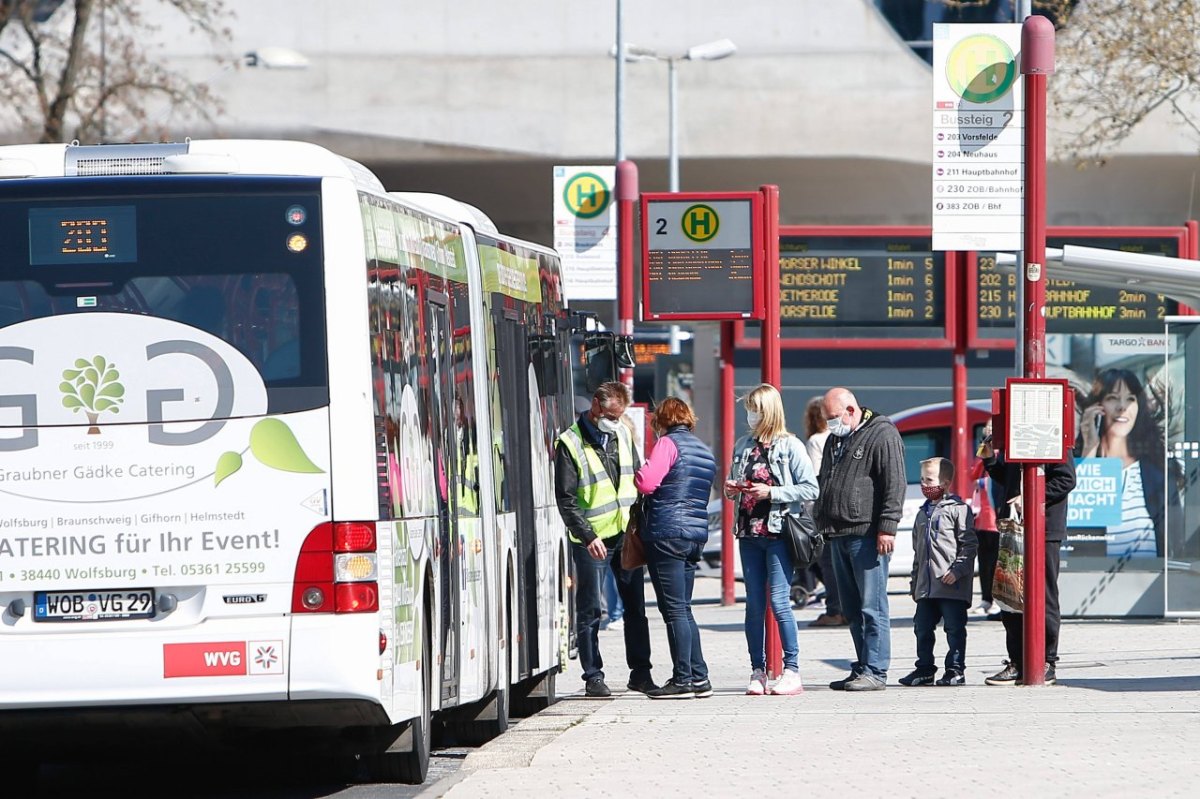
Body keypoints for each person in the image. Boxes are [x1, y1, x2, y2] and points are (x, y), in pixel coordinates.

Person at [555, 381, 655, 698]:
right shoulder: (569, 443)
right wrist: (587, 536)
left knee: (635, 608)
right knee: (589, 610)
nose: (616, 420)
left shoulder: (622, 434)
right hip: (592, 540)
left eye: (620, 415)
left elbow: (637, 476)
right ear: (596, 407)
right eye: (612, 414)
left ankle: (641, 673)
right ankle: (593, 676)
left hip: (625, 534)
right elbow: (566, 498)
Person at [723, 383, 818, 696]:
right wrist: (732, 488)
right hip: (749, 532)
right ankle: (757, 670)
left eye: (755, 409)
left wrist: (773, 492)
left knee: (779, 601)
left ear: (769, 411)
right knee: (754, 604)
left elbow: (810, 488)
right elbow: (729, 487)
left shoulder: (790, 446)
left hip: (777, 532)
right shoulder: (742, 445)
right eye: (748, 409)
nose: (750, 416)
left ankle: (792, 669)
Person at [815, 387, 906, 692]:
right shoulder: (834, 440)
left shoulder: (882, 434)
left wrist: (887, 528)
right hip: (838, 533)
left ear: (851, 411)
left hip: (866, 534)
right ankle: (863, 666)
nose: (830, 424)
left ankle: (876, 671)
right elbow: (825, 481)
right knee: (852, 609)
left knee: (872, 606)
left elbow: (894, 484)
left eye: (833, 418)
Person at [635, 398, 717, 699]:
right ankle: (700, 676)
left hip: (667, 533)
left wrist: (640, 470)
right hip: (694, 535)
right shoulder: (703, 451)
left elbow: (646, 483)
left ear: (663, 420)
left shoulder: (668, 444)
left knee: (673, 611)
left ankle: (682, 678)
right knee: (684, 608)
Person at [980, 437, 1077, 686]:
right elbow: (1009, 481)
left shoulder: (1056, 438)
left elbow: (1067, 479)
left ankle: (1047, 661)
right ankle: (1017, 661)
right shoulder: (1015, 439)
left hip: (1045, 528)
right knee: (1010, 592)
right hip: (1014, 527)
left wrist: (1032, 496)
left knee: (1044, 594)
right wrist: (990, 460)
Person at [1078, 368, 1179, 559]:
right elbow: (1075, 520)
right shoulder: (1084, 462)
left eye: (1130, 399)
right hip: (1088, 578)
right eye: (1113, 398)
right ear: (1098, 406)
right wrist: (1089, 447)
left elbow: (1175, 538)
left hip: (1148, 582)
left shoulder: (1156, 469)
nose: (1122, 407)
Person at [899, 457, 977, 687]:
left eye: (929, 480)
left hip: (951, 585)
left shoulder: (959, 510)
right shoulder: (922, 513)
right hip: (926, 586)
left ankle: (955, 669)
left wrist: (958, 570)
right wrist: (915, 583)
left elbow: (969, 545)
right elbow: (917, 552)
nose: (924, 484)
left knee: (954, 628)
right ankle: (924, 668)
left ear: (945, 482)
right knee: (922, 627)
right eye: (922, 479)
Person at [804, 395, 846, 627]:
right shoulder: (843, 436)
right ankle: (845, 607)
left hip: (822, 510)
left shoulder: (816, 441)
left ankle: (835, 609)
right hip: (843, 509)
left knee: (825, 562)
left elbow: (814, 479)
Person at [968, 420, 1002, 617]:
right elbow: (973, 472)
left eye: (992, 428)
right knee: (984, 560)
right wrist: (984, 449)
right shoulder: (984, 451)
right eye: (987, 428)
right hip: (981, 515)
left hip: (996, 514)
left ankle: (997, 599)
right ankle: (985, 598)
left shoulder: (1003, 453)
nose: (989, 430)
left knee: (998, 561)